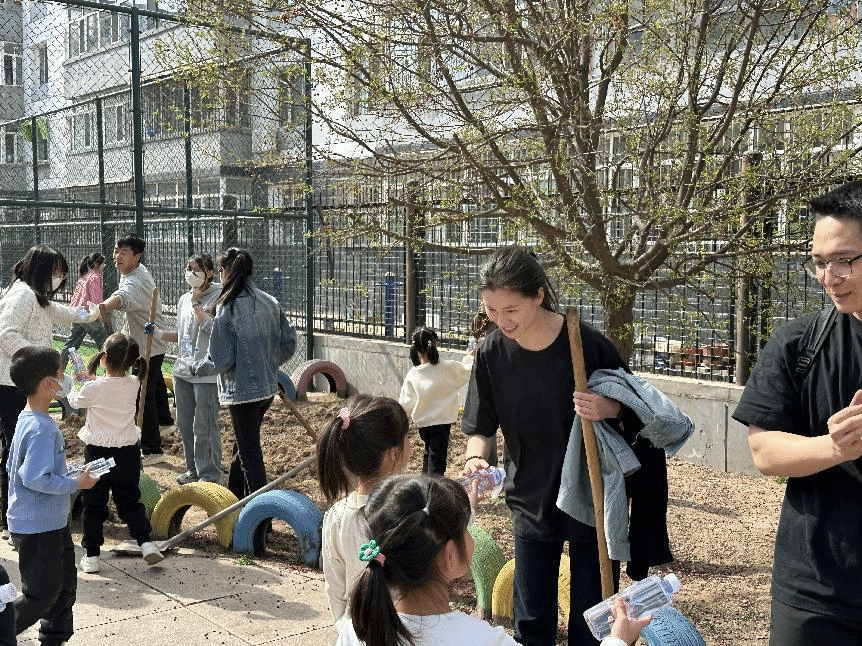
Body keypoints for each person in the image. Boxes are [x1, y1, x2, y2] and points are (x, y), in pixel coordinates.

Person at [461, 245, 636, 646]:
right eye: (491, 310)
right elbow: (481, 427)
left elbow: (635, 407)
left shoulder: (586, 344)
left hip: (591, 495)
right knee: (532, 622)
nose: (502, 321)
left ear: (538, 295)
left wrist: (607, 407)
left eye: (511, 310)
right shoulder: (491, 353)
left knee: (592, 623)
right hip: (530, 495)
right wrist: (474, 458)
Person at [732, 180, 862, 644]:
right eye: (819, 263)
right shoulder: (799, 342)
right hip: (816, 590)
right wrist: (834, 447)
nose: (830, 277)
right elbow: (764, 451)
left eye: (844, 260)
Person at [339, 474, 650, 646]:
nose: (470, 533)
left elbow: (426, 534)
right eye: (465, 529)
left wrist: (461, 512)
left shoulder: (357, 629)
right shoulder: (482, 641)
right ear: (450, 556)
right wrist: (617, 641)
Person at [0, 244, 98, 541]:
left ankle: (13, 516)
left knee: (16, 447)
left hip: (25, 381)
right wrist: (42, 365)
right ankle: (13, 520)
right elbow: (6, 334)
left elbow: (63, 312)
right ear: (41, 269)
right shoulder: (22, 295)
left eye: (62, 273)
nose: (60, 278)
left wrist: (94, 312)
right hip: (13, 384)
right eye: (56, 272)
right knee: (17, 448)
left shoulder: (36, 296)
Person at [7, 346, 98, 644]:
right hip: (37, 527)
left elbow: (28, 469)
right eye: (61, 373)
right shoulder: (41, 429)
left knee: (63, 589)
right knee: (41, 595)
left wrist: (70, 473)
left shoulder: (28, 418)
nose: (66, 378)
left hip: (50, 523)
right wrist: (76, 484)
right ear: (49, 383)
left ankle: (53, 639)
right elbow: (34, 478)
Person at [193, 248, 296, 501]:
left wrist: (198, 367)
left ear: (226, 271)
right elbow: (289, 343)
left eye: (220, 270)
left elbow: (221, 358)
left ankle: (261, 517)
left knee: (250, 455)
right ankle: (235, 498)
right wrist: (267, 364)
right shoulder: (269, 301)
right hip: (267, 389)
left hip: (241, 393)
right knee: (242, 447)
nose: (220, 275)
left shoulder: (227, 306)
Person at [67, 332, 165, 573]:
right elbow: (108, 388)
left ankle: (92, 555)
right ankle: (146, 543)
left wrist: (73, 384)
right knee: (130, 500)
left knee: (94, 503)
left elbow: (76, 401)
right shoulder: (134, 383)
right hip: (127, 454)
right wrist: (92, 381)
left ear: (103, 358)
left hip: (98, 454)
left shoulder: (93, 388)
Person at [316, 394, 412, 633]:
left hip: (356, 630)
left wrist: (345, 634)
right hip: (404, 632)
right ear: (394, 454)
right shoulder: (410, 510)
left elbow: (335, 589)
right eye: (407, 436)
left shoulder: (335, 516)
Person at [97, 233, 171, 465]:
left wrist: (103, 307)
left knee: (142, 396)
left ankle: (152, 449)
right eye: (116, 250)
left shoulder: (136, 279)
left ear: (137, 256)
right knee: (154, 387)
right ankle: (165, 422)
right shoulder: (132, 272)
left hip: (148, 345)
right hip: (146, 342)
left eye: (123, 252)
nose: (117, 256)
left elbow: (124, 296)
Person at [153, 254, 222, 484]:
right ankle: (193, 469)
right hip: (183, 370)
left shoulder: (219, 296)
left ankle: (209, 474)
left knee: (204, 426)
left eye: (196, 270)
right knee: (185, 424)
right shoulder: (183, 299)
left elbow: (215, 331)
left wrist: (197, 304)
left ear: (209, 273)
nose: (190, 274)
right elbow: (182, 335)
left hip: (206, 373)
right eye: (188, 269)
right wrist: (159, 333)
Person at [398, 326, 473, 475]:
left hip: (423, 426)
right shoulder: (447, 367)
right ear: (434, 344)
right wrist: (470, 356)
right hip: (441, 423)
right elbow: (467, 371)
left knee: (429, 455)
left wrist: (399, 422)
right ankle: (433, 486)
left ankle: (424, 483)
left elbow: (405, 404)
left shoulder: (413, 374)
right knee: (437, 462)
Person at [58, 252, 109, 421]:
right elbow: (96, 299)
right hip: (88, 314)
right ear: (97, 264)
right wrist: (99, 315)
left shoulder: (84, 277)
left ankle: (59, 366)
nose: (104, 267)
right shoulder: (94, 277)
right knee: (104, 341)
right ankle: (110, 369)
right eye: (102, 264)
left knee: (71, 342)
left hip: (77, 313)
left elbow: (75, 298)